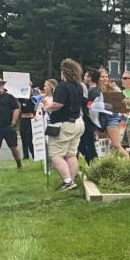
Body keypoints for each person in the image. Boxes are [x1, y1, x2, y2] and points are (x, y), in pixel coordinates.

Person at [43, 59, 85, 191]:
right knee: (71, 154)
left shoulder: (62, 86)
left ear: (65, 72)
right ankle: (71, 180)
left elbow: (58, 104)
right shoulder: (79, 86)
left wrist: (46, 107)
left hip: (65, 124)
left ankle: (68, 181)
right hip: (78, 121)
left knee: (56, 155)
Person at [97, 68, 128, 156]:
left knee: (116, 145)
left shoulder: (114, 89)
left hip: (112, 118)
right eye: (102, 77)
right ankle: (107, 164)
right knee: (102, 144)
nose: (105, 78)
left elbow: (122, 106)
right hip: (100, 119)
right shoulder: (96, 89)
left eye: (106, 76)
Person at [77, 67, 100, 164]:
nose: (84, 77)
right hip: (88, 120)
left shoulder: (93, 91)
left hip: (89, 121)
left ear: (90, 78)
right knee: (82, 144)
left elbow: (90, 107)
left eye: (86, 75)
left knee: (89, 144)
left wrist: (83, 101)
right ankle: (90, 162)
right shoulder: (90, 89)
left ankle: (94, 164)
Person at [17, 86, 37, 160]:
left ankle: (34, 154)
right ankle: (26, 156)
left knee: (29, 139)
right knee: (23, 138)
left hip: (30, 120)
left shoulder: (32, 100)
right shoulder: (21, 100)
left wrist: (30, 86)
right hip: (23, 120)